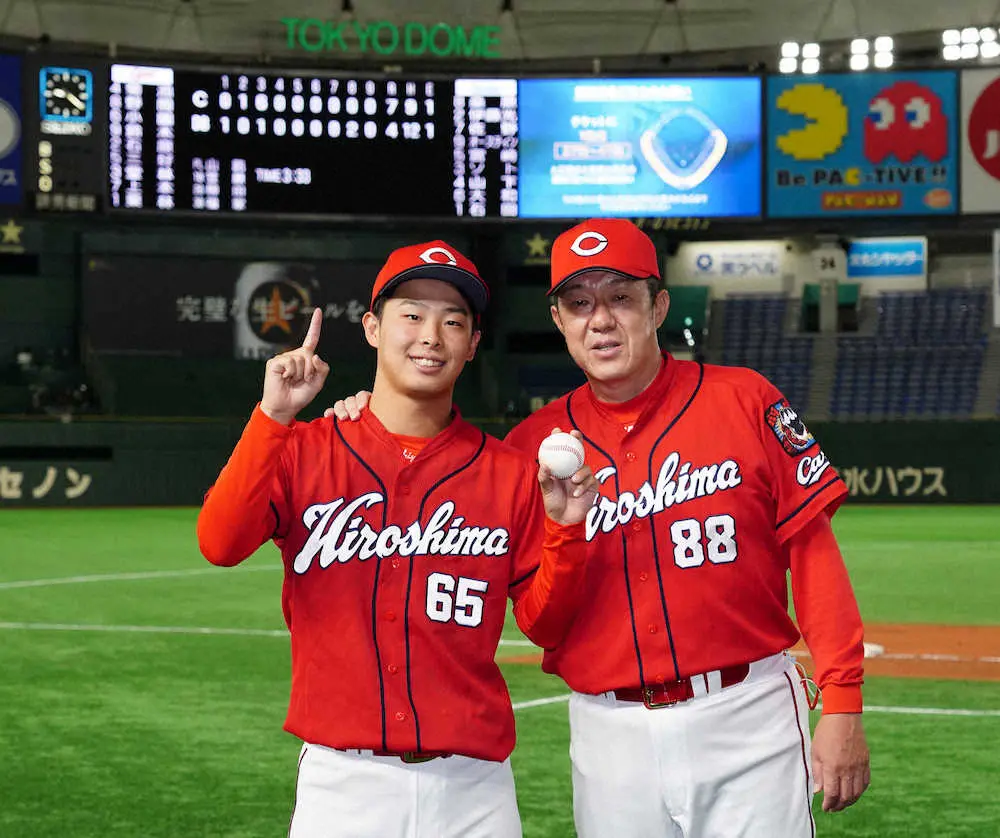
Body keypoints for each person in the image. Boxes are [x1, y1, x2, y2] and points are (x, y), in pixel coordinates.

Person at [330, 219, 870, 837]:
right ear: (559, 320)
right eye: (580, 303)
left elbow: (815, 556)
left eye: (620, 297)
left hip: (747, 713)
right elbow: (537, 622)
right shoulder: (528, 449)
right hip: (609, 733)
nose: (601, 320)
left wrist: (844, 701)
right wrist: (362, 412)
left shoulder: (743, 400)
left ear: (658, 306)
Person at [197, 240, 598, 838]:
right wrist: (272, 417)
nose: (431, 336)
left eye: (453, 321)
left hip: (474, 789)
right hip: (343, 784)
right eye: (411, 315)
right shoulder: (305, 450)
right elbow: (220, 543)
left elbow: (545, 625)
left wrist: (566, 529)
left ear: (473, 344)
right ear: (371, 328)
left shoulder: (509, 473)